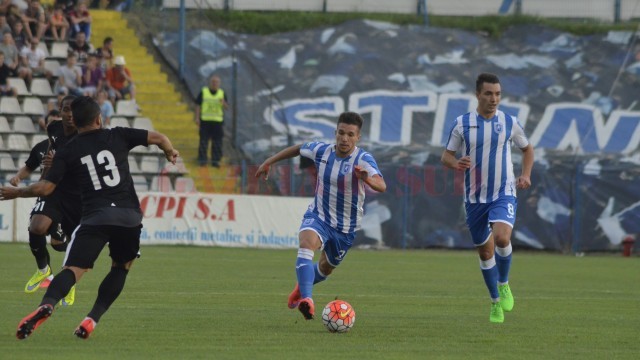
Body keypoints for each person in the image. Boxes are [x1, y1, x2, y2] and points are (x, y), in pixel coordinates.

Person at [0, 96, 179, 340]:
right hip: (129, 217)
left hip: (96, 217)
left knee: (73, 270)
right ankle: (91, 319)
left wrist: (17, 192)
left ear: (77, 121)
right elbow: (159, 138)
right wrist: (169, 151)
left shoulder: (68, 150)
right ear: (98, 119)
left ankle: (48, 304)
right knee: (121, 267)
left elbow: (44, 189)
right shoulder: (118, 134)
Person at [255, 111, 387, 320]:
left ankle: (301, 288)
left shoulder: (363, 159)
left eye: (350, 134)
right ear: (335, 133)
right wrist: (269, 161)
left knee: (326, 268)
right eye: (341, 133)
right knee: (307, 243)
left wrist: (368, 180)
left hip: (345, 227)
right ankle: (307, 299)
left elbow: (381, 184)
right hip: (319, 215)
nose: (345, 138)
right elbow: (298, 149)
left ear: (357, 137)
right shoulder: (321, 151)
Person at [440, 73, 534, 323]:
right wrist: (457, 162)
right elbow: (446, 156)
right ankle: (494, 302)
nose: (494, 99)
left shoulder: (509, 122)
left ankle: (503, 283)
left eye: (498, 94)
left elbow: (527, 149)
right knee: (485, 252)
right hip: (474, 199)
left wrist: (525, 174)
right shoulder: (462, 123)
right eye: (489, 94)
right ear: (478, 95)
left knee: (502, 237)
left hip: (503, 192)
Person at [19, 97, 80, 308]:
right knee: (36, 227)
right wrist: (49, 167)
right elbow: (50, 160)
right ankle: (43, 270)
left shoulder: (86, 135)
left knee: (58, 244)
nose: (69, 114)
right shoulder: (53, 129)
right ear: (60, 112)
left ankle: (68, 280)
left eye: (73, 110)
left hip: (74, 194)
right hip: (52, 189)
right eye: (65, 110)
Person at [195, 75, 229, 167]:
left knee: (217, 142)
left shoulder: (222, 93)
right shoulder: (204, 92)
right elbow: (198, 105)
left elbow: (227, 107)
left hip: (217, 122)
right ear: (210, 83)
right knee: (203, 141)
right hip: (205, 121)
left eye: (217, 82)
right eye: (213, 82)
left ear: (219, 83)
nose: (215, 84)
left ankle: (215, 160)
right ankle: (202, 159)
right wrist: (197, 118)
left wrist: (224, 103)